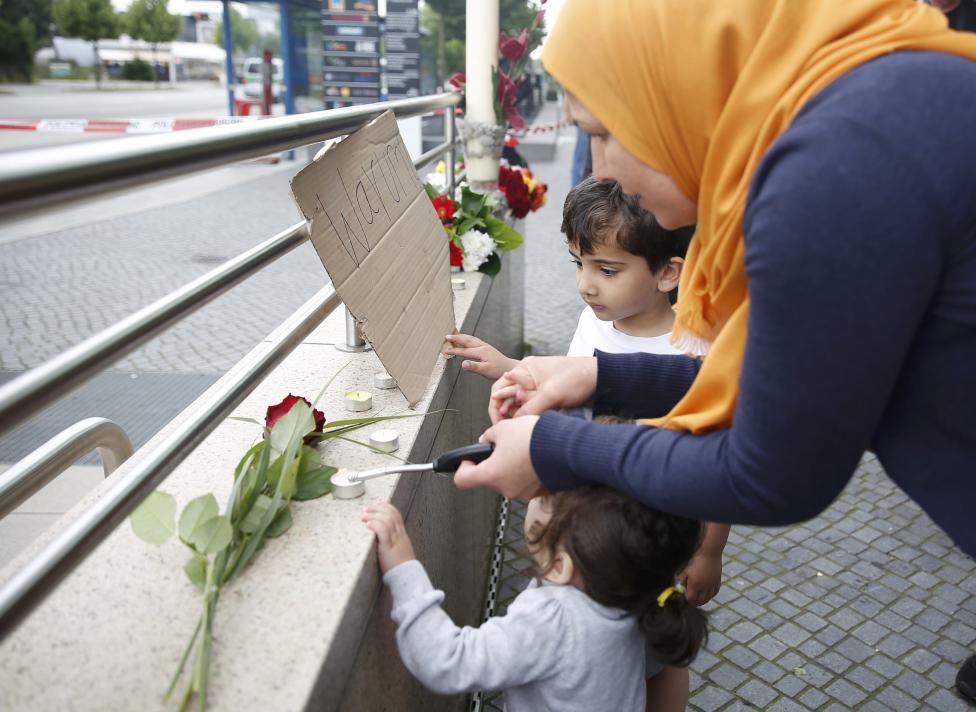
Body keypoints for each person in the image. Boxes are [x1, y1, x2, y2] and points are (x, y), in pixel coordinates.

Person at [451, 0, 976, 702]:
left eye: (604, 132)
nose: (602, 173)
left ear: (674, 81)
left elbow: (774, 471)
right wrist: (597, 375)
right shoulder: (856, 108)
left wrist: (554, 449)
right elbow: (787, 375)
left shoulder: (832, 169)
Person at [445, 177, 720, 710]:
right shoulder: (591, 324)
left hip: (651, 526)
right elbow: (568, 391)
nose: (586, 286)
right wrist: (511, 370)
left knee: (658, 652)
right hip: (589, 521)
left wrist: (709, 551)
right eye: (578, 264)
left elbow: (714, 455)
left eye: (607, 270)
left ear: (668, 272)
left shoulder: (693, 348)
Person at [362, 485, 707, 711]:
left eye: (542, 497)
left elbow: (449, 660)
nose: (532, 496)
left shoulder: (552, 617)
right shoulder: (642, 592)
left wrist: (403, 563)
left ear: (559, 567)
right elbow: (659, 670)